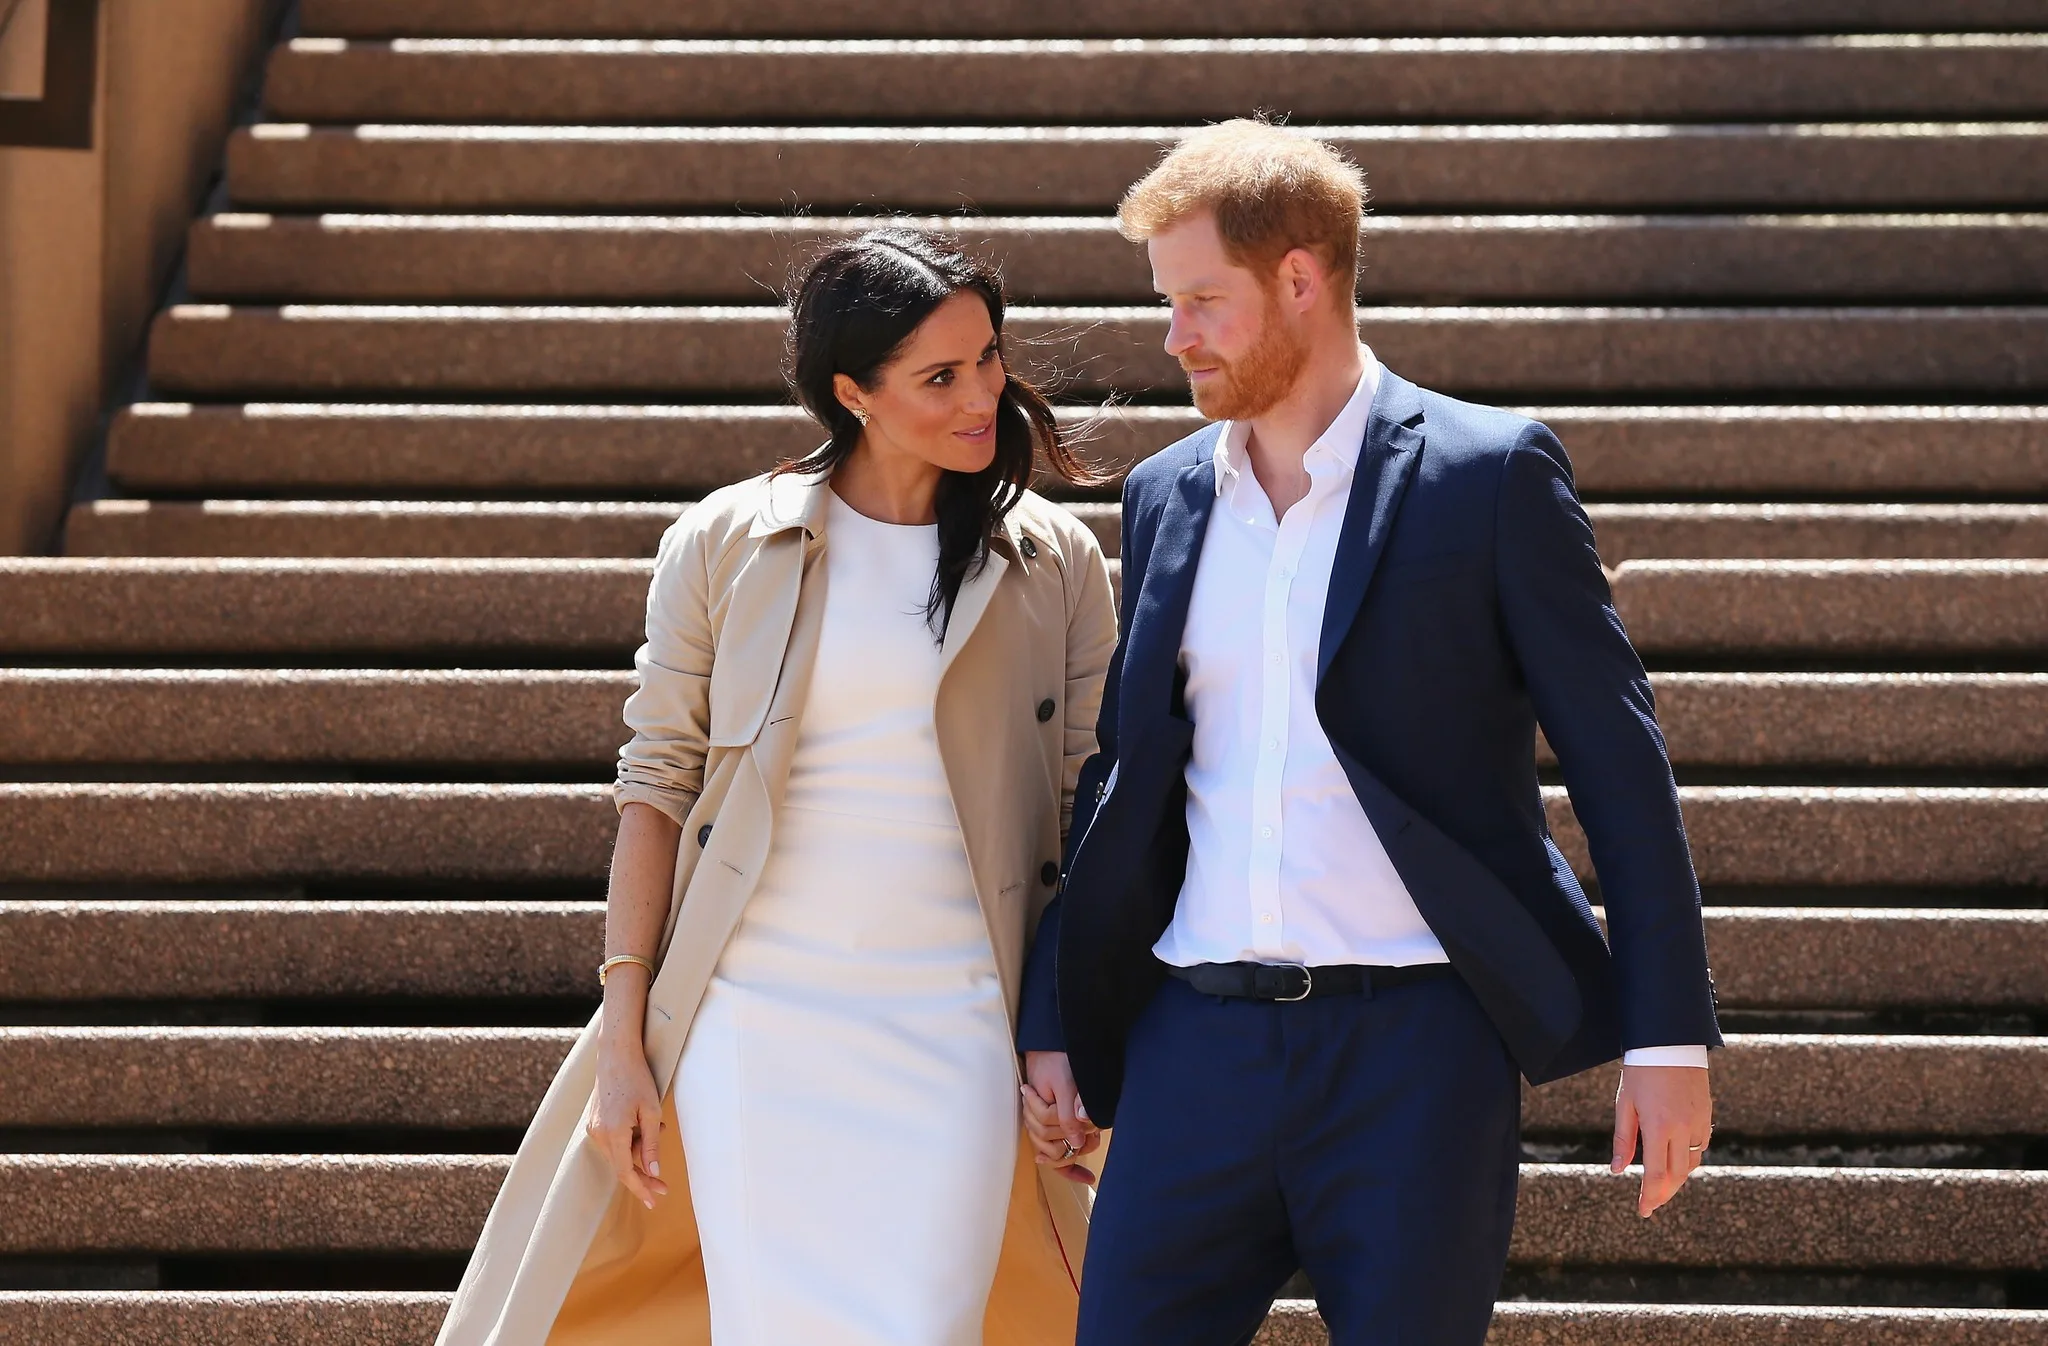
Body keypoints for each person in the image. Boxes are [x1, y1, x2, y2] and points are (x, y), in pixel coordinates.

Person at [1015, 120, 1721, 1345]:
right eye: (1166, 302)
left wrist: (1664, 1035)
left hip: (1416, 1052)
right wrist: (1056, 1010)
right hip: (1193, 1045)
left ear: (1298, 277)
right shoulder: (1165, 491)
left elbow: (1619, 764)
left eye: (1200, 300)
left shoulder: (1487, 475)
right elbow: (1125, 775)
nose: (1173, 336)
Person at [436, 229, 1119, 1346]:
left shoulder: (1052, 559)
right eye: (939, 376)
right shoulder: (725, 540)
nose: (981, 396)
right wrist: (624, 1043)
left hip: (956, 1013)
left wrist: (1058, 1030)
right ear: (852, 393)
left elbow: (1091, 807)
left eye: (988, 358)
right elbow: (655, 788)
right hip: (756, 1016)